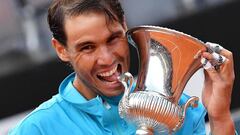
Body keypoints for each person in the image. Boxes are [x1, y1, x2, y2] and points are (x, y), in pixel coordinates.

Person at [9, 0, 237, 135]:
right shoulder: (37, 129)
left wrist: (220, 116)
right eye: (88, 47)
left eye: (112, 39)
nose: (107, 59)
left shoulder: (178, 112)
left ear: (125, 27)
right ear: (61, 50)